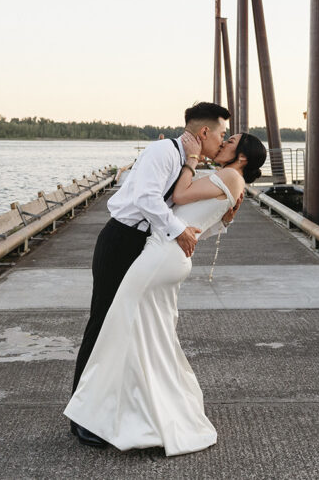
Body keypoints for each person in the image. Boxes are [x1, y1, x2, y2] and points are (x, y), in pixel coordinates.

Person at [64, 132, 267, 456]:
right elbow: (201, 222)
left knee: (120, 328)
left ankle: (97, 413)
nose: (224, 142)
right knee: (150, 338)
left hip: (161, 257)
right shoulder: (232, 179)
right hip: (169, 257)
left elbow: (179, 195)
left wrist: (189, 160)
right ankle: (139, 410)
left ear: (242, 157)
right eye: (224, 137)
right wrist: (224, 218)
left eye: (230, 142)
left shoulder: (230, 175)